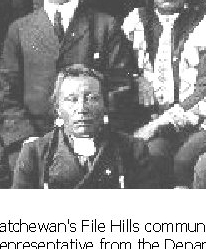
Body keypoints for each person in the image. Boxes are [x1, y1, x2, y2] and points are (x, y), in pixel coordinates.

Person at [0, 0, 137, 161]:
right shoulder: (19, 30)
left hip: (94, 136)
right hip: (34, 139)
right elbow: (7, 94)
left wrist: (92, 132)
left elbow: (121, 87)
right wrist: (26, 138)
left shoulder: (105, 26)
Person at [123, 0, 206, 187]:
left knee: (186, 160)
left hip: (202, 120)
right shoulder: (135, 22)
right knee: (152, 155)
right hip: (151, 118)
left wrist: (158, 125)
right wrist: (136, 78)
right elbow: (121, 69)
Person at [13, 65, 168, 189]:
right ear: (58, 108)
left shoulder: (133, 150)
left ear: (105, 105)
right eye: (71, 99)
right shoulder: (34, 154)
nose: (81, 108)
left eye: (91, 98)